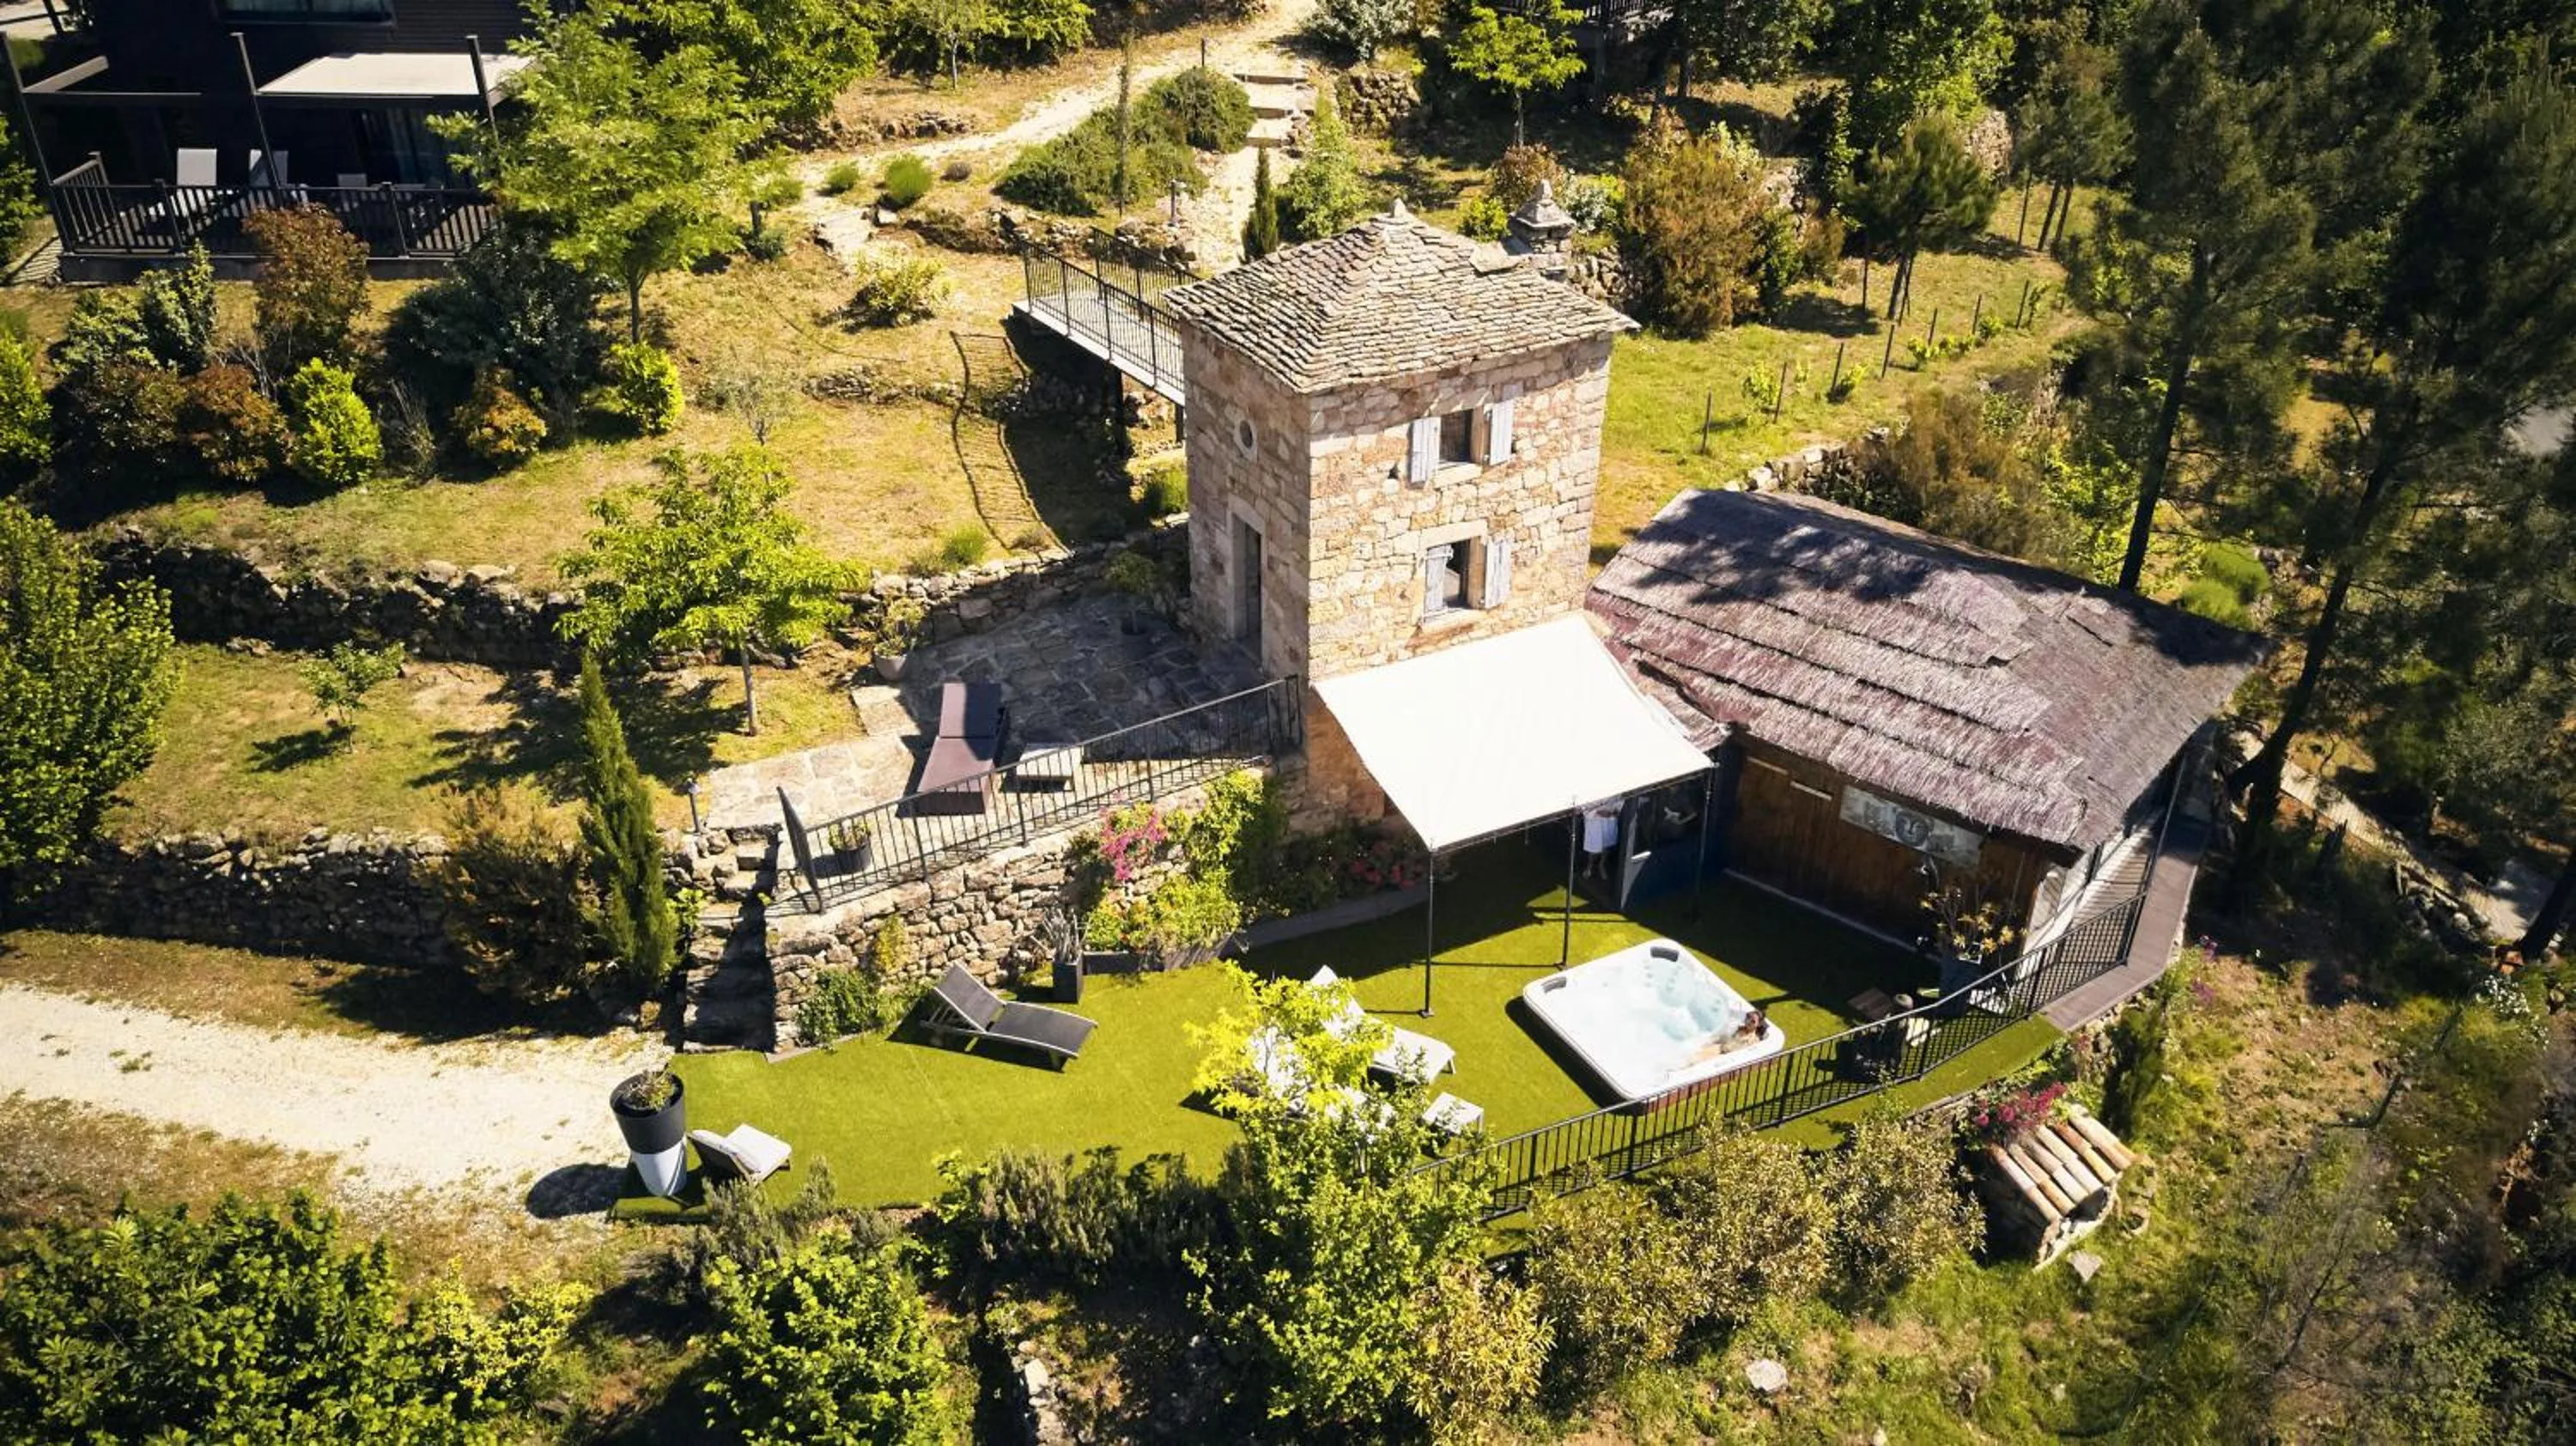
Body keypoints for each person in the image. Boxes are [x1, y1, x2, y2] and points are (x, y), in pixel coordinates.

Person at [1580, 799, 1621, 880]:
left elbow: (1619, 804)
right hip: (1594, 822)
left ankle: (1601, 865)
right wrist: (1598, 812)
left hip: (1609, 821)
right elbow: (1584, 807)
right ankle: (1589, 867)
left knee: (1606, 846)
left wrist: (1611, 814)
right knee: (1593, 849)